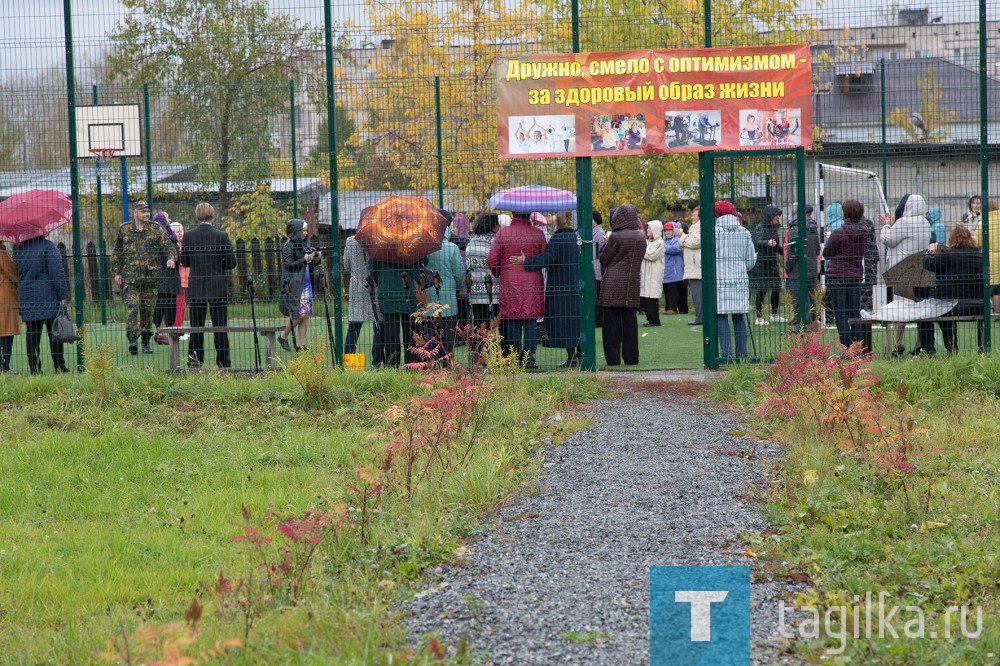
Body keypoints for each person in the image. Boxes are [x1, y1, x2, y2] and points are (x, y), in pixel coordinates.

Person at [514, 211, 581, 367]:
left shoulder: (558, 239)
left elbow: (548, 258)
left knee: (565, 322)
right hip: (578, 285)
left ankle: (571, 356)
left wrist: (527, 261)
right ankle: (580, 354)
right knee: (578, 320)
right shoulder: (578, 238)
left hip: (560, 286)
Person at [112, 201, 178, 355]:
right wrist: (117, 272)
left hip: (150, 278)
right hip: (130, 278)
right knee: (132, 307)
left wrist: (171, 258)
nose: (146, 214)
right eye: (143, 211)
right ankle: (133, 339)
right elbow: (117, 253)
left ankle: (145, 341)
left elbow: (169, 246)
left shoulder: (155, 229)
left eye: (148, 211)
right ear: (135, 213)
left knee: (147, 311)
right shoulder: (125, 229)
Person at [180, 202, 237, 368]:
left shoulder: (189, 236)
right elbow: (232, 263)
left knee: (196, 327)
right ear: (213, 216)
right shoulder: (221, 236)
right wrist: (220, 263)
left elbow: (184, 261)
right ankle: (223, 362)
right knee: (220, 326)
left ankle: (195, 362)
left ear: (197, 216)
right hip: (217, 286)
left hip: (197, 286)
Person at [487, 211, 546, 369]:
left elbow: (492, 259)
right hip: (532, 283)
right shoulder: (538, 234)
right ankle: (529, 359)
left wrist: (499, 271)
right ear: (529, 215)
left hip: (509, 282)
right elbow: (544, 258)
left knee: (511, 318)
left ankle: (514, 358)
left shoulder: (502, 233)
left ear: (513, 213)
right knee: (530, 319)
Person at [880, 193, 932, 355]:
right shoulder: (925, 223)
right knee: (921, 309)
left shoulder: (903, 223)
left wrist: (887, 225)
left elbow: (888, 239)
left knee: (901, 307)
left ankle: (897, 343)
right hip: (921, 271)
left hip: (903, 272)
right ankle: (919, 344)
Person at [922, 225, 985, 354]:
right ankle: (981, 347)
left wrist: (930, 251)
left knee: (924, 313)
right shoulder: (980, 257)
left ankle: (931, 351)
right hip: (977, 305)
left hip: (950, 306)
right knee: (943, 309)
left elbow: (928, 263)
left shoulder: (948, 256)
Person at [12, 234, 69, 374]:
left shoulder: (19, 250)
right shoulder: (48, 246)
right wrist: (63, 294)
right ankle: (59, 366)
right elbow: (57, 273)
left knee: (32, 334)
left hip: (28, 296)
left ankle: (35, 369)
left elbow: (17, 273)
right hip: (48, 296)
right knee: (54, 332)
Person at [598, 204, 646, 366]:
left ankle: (613, 359)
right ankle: (632, 358)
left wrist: (604, 245)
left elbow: (605, 259)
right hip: (632, 283)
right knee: (630, 323)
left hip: (613, 282)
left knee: (611, 325)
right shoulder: (641, 236)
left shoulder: (616, 237)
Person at [822, 199, 868, 348]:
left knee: (841, 313)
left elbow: (827, 253)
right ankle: (857, 345)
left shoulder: (838, 233)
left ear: (845, 214)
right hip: (855, 275)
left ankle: (846, 347)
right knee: (855, 312)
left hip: (837, 276)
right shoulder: (864, 232)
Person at [714, 201, 756, 359]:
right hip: (739, 279)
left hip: (719, 280)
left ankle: (726, 354)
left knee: (720, 316)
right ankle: (742, 354)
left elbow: (704, 259)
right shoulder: (744, 232)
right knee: (739, 316)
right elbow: (751, 259)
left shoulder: (713, 232)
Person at [422, 228, 466, 364]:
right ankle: (447, 363)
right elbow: (459, 272)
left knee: (430, 332)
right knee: (448, 332)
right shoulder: (452, 248)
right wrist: (456, 287)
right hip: (448, 295)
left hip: (428, 295)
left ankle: (430, 362)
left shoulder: (423, 247)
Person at [278, 219, 321, 354]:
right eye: (304, 230)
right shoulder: (288, 246)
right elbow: (289, 265)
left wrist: (316, 258)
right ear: (296, 231)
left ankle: (300, 345)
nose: (306, 233)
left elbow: (310, 264)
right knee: (300, 314)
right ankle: (283, 336)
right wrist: (306, 259)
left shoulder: (303, 245)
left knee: (306, 314)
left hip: (307, 283)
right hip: (295, 285)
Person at [465, 212, 500, 365]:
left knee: (480, 326)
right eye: (497, 224)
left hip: (476, 291)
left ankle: (478, 357)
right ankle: (502, 357)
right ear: (493, 226)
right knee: (498, 325)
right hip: (494, 290)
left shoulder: (472, 241)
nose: (499, 227)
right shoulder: (494, 241)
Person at [342, 234, 379, 365]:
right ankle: (377, 363)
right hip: (374, 286)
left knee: (354, 326)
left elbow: (346, 265)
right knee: (378, 326)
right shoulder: (377, 238)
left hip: (356, 286)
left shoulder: (350, 241)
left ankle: (348, 362)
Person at [784, 205, 820, 328]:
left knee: (799, 300)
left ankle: (801, 328)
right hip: (811, 269)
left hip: (798, 270)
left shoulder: (795, 228)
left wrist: (787, 267)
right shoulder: (814, 228)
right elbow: (817, 249)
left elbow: (793, 252)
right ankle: (812, 325)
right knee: (811, 299)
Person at [750, 205, 785, 325]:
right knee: (762, 289)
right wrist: (767, 242)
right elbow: (757, 241)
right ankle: (759, 317)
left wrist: (785, 252)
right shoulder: (760, 228)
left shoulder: (773, 228)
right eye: (776, 215)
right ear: (770, 216)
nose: (778, 218)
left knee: (776, 287)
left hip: (772, 263)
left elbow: (776, 246)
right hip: (761, 264)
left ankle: (774, 314)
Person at [152, 211, 181, 345]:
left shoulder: (156, 236)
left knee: (164, 305)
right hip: (167, 276)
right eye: (168, 218)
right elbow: (175, 255)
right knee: (166, 305)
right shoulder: (168, 236)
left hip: (162, 276)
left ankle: (161, 332)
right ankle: (162, 332)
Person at [974, 200, 1000, 315]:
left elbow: (978, 242)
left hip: (991, 257)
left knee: (995, 288)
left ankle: (997, 312)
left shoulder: (982, 223)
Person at [678, 207, 702, 325]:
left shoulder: (701, 227)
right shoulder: (694, 228)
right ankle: (699, 316)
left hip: (697, 266)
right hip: (693, 266)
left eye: (694, 215)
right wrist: (684, 237)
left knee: (698, 295)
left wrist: (682, 235)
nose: (692, 217)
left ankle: (700, 317)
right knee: (696, 294)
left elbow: (694, 243)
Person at [639, 219, 664, 326]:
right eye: (647, 228)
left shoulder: (660, 242)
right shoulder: (647, 241)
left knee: (652, 297)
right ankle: (649, 319)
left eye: (650, 228)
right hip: (645, 274)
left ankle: (654, 320)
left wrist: (640, 251)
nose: (647, 230)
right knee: (645, 297)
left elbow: (652, 256)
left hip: (654, 274)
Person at [0, 244, 20, 373]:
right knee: (6, 332)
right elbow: (14, 274)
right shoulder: (2, 255)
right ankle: (4, 366)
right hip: (4, 298)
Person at [169, 222, 189, 334]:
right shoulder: (174, 246)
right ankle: (177, 329)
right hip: (178, 281)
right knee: (179, 305)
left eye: (181, 230)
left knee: (182, 305)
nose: (180, 233)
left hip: (185, 280)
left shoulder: (185, 244)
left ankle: (177, 327)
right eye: (177, 231)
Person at [662, 222, 685, 314]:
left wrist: (663, 248)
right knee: (667, 290)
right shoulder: (663, 241)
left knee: (673, 290)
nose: (668, 232)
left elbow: (677, 249)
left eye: (670, 230)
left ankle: (673, 308)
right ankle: (668, 308)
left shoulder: (677, 239)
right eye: (666, 230)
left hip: (675, 271)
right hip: (666, 270)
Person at [591, 211, 607, 328]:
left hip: (597, 268)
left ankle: (599, 319)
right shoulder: (594, 232)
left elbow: (598, 252)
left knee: (598, 294)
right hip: (595, 266)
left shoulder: (599, 233)